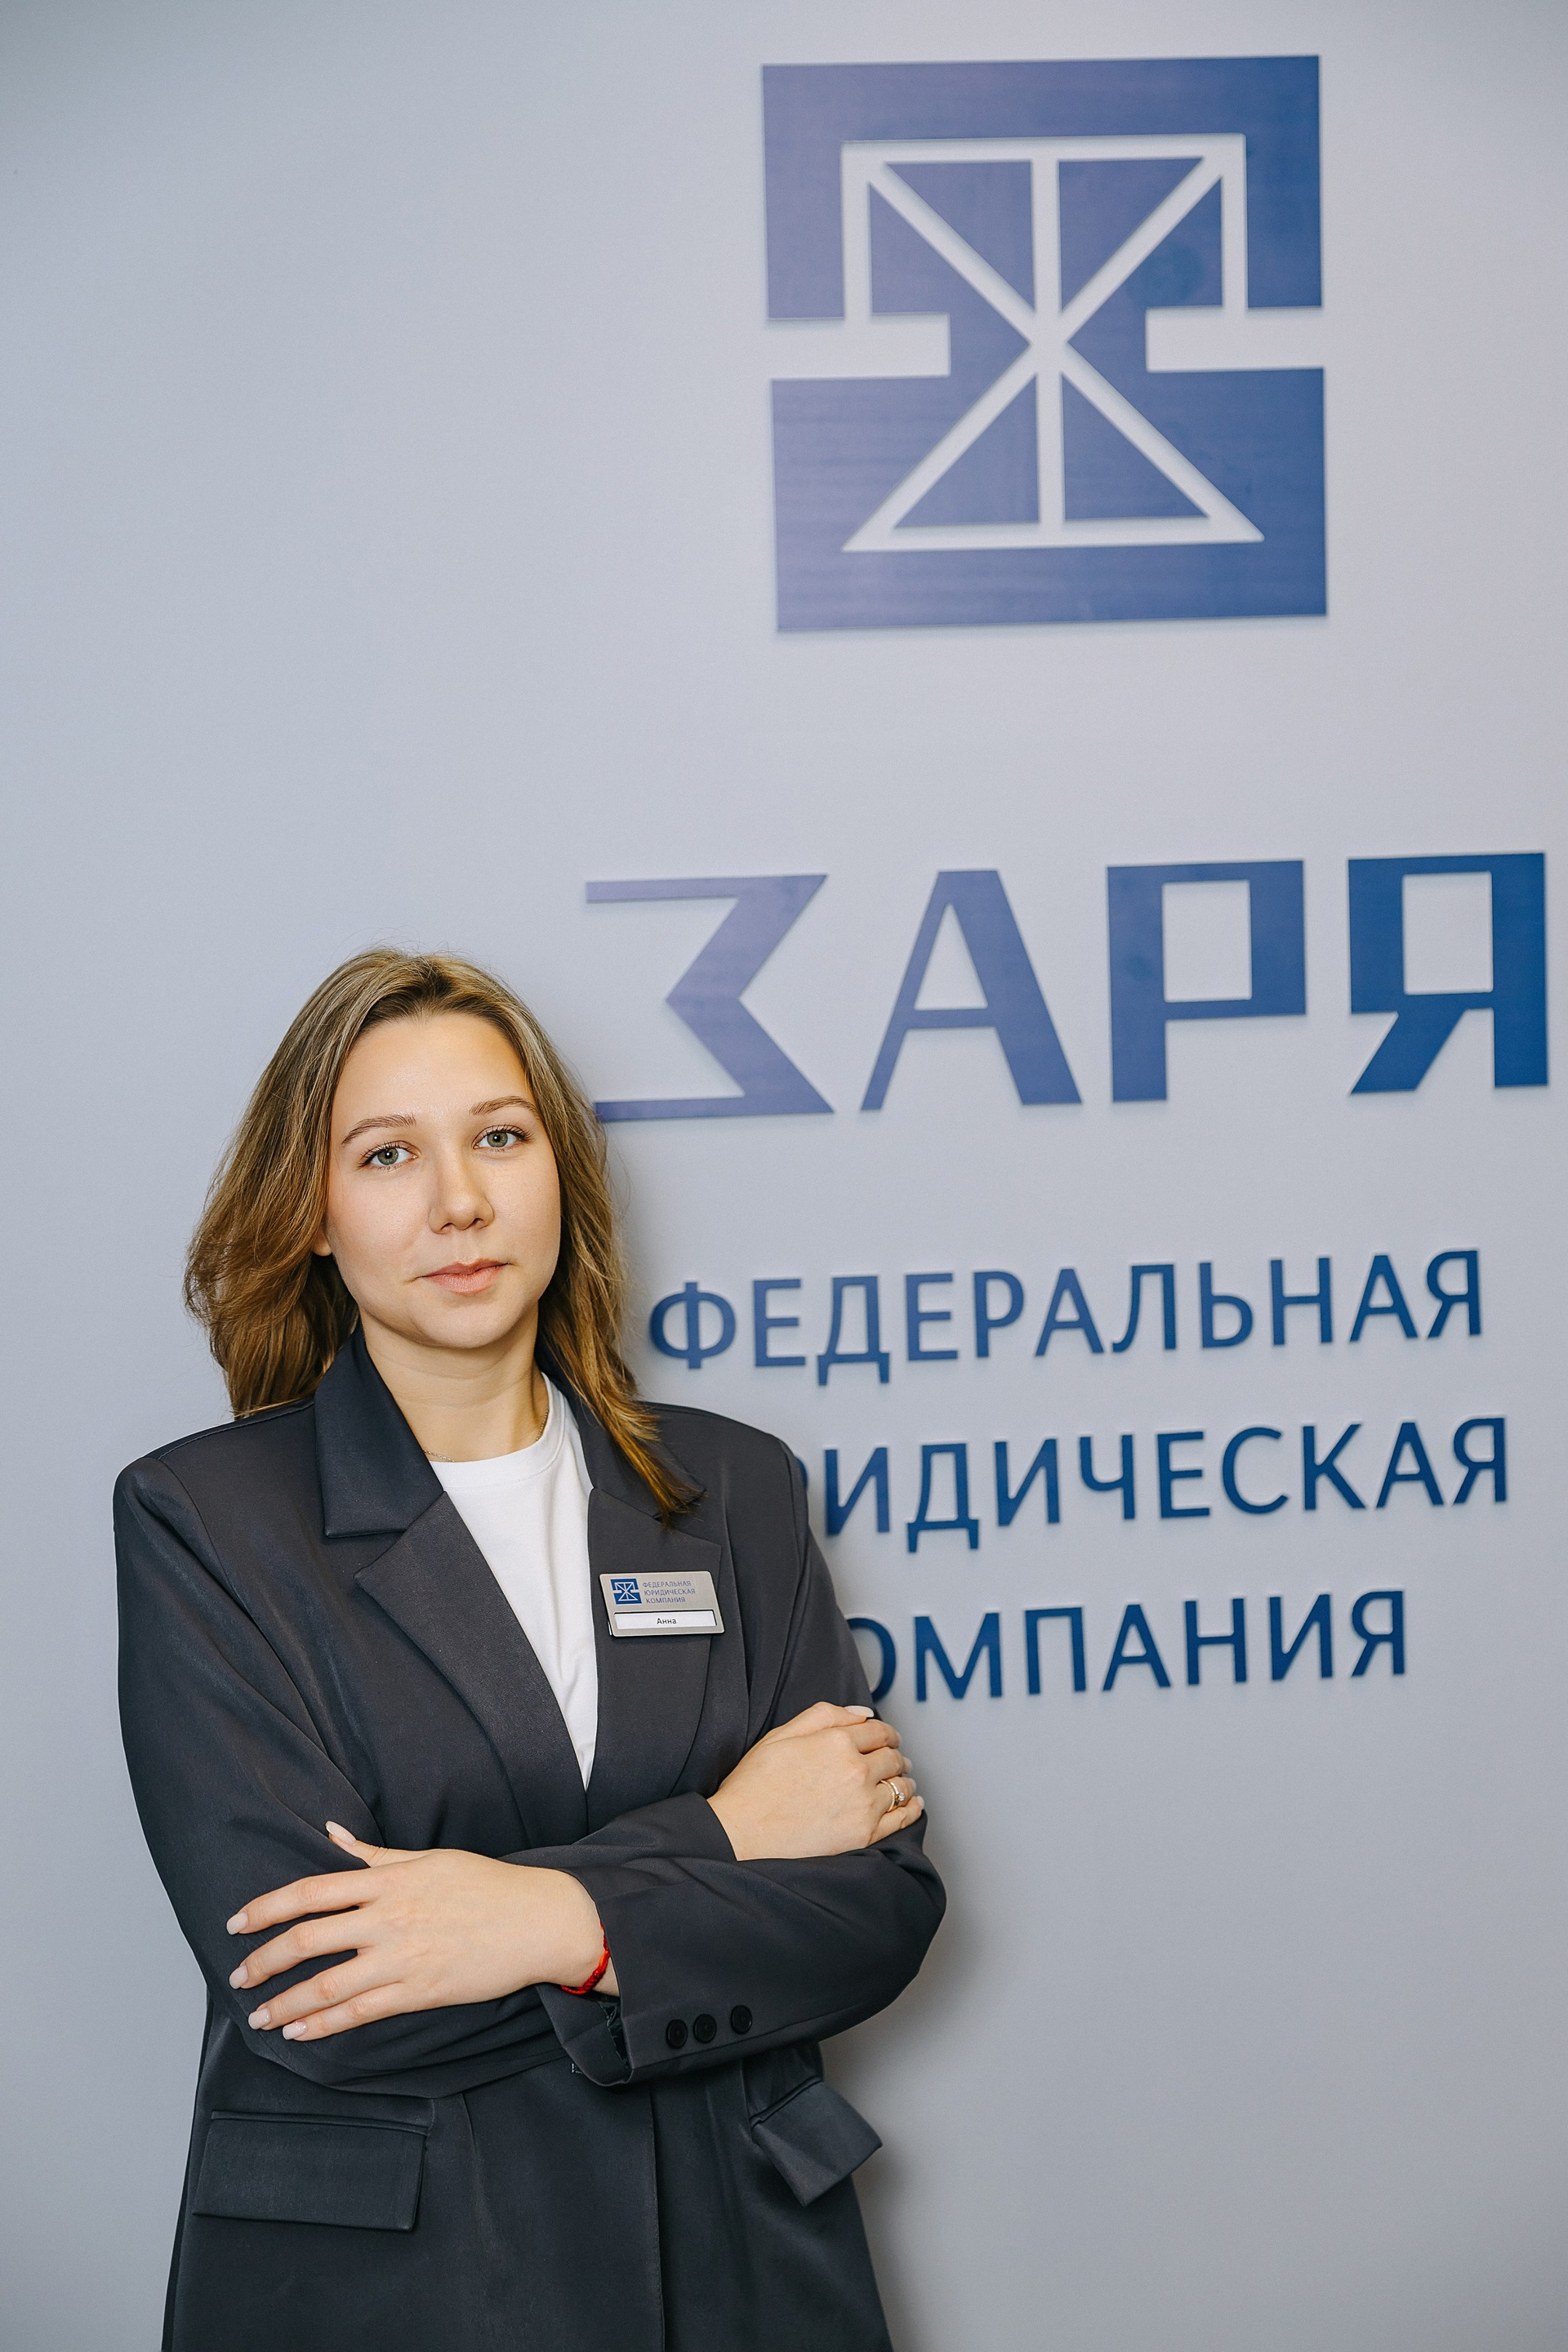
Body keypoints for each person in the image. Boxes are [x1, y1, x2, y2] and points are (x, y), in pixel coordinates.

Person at [116, 948, 944, 2352]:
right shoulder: (206, 1519)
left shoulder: (732, 1486)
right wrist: (722, 1840)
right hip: (408, 2290)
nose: (460, 1200)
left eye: (501, 1137)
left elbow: (873, 1912)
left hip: (737, 2265)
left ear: (561, 1169)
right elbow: (321, 1992)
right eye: (388, 1155)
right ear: (309, 1211)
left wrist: (536, 1920)